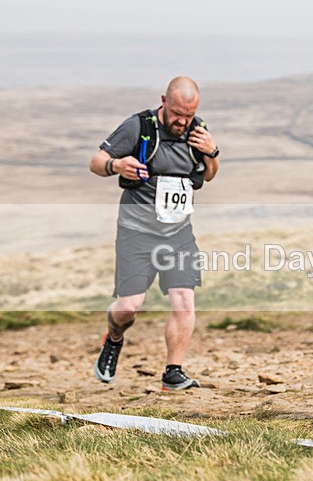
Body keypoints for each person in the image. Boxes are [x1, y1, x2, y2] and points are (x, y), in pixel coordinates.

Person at [89, 76, 220, 391]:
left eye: (188, 115)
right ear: (164, 101)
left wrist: (212, 153)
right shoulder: (139, 127)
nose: (182, 121)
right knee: (128, 307)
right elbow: (96, 162)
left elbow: (209, 175)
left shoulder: (197, 130)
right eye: (177, 113)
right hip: (136, 231)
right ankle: (114, 336)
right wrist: (117, 165)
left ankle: (173, 373)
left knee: (184, 300)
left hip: (178, 232)